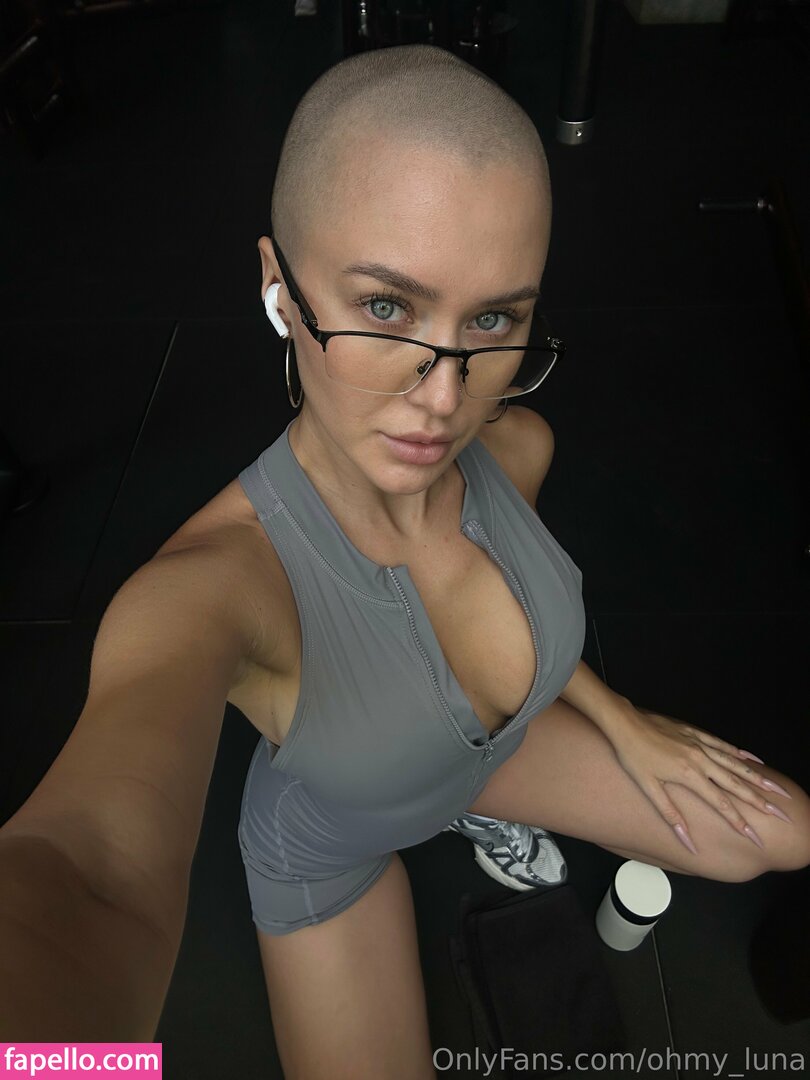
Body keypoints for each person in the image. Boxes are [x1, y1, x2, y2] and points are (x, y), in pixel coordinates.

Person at [0, 41, 808, 1076]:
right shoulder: (210, 590)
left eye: (494, 319)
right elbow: (91, 874)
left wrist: (626, 724)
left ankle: (459, 792)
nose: (444, 398)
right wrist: (54, 1057)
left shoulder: (517, 446)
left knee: (780, 835)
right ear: (280, 288)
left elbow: (513, 615)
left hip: (484, 749)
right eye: (387, 308)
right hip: (335, 837)